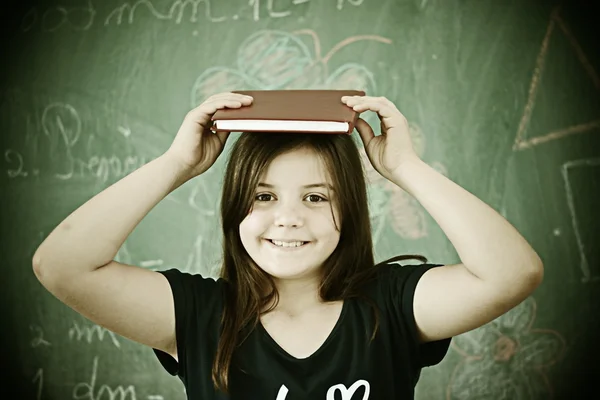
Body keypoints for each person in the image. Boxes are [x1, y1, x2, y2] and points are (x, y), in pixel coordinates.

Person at [32, 92, 544, 399]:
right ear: (236, 209)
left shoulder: (391, 304)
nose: (288, 218)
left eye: (316, 197)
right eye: (263, 196)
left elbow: (512, 273)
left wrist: (404, 168)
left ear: (350, 211)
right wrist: (178, 164)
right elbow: (61, 265)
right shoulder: (198, 316)